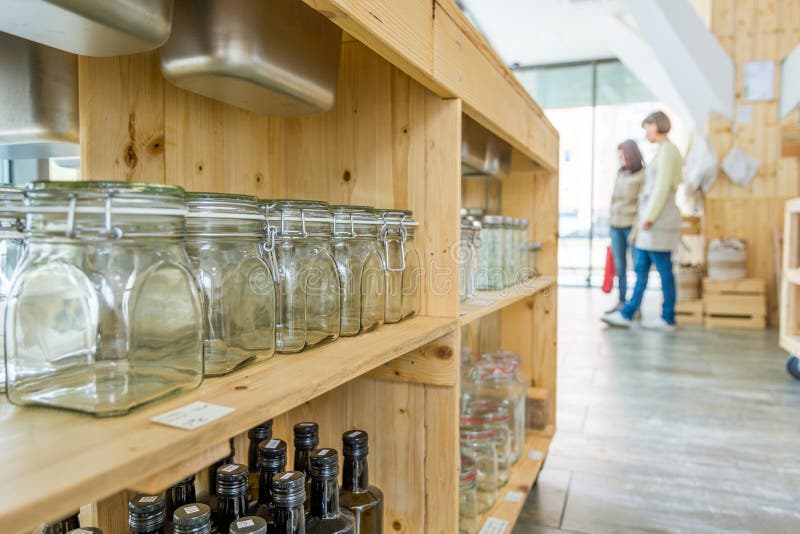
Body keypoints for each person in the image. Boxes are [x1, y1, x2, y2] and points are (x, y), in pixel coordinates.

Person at [602, 111, 682, 331]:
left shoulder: (668, 151)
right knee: (642, 267)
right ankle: (628, 313)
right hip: (651, 223)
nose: (646, 131)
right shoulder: (663, 151)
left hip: (658, 221)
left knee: (663, 269)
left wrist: (649, 218)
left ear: (656, 125)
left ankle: (667, 317)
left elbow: (662, 187)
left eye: (647, 126)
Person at [606, 139, 645, 312]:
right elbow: (614, 200)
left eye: (622, 155)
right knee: (620, 267)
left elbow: (641, 206)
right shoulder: (620, 173)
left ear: (631, 154)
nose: (620, 159)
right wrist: (610, 223)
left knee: (637, 266)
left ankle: (635, 306)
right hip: (616, 227)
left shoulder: (643, 175)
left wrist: (635, 231)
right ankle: (621, 302)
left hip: (631, 228)